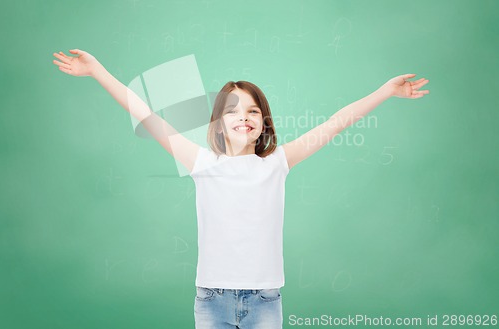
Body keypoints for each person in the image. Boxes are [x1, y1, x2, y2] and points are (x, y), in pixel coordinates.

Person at [52, 49, 430, 329]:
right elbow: (147, 115)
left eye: (252, 111)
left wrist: (385, 91)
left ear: (263, 123)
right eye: (233, 110)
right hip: (211, 300)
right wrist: (97, 70)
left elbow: (335, 123)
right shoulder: (202, 163)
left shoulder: (277, 163)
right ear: (219, 123)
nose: (243, 117)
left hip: (266, 301)